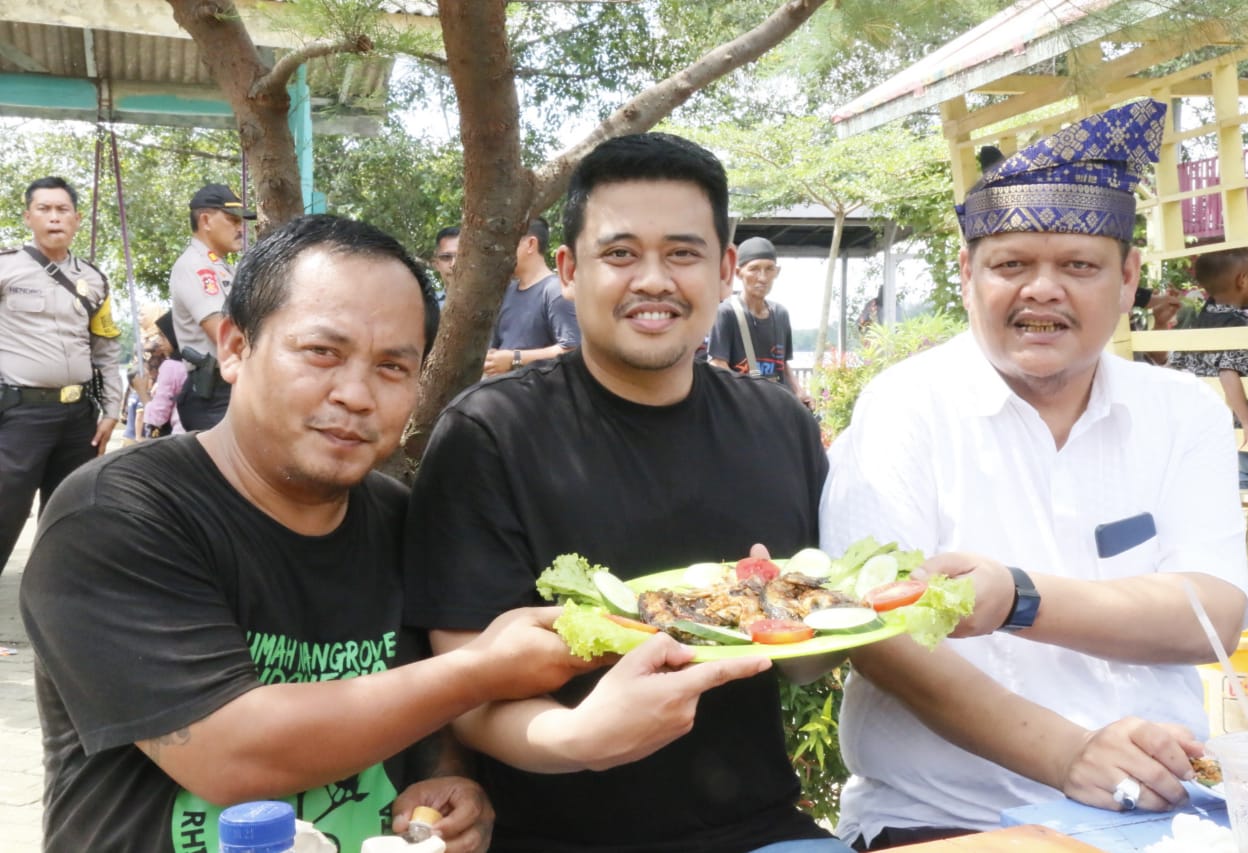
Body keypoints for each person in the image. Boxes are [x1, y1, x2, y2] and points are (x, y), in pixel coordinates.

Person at [20, 214, 749, 852]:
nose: (356, 394)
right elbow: (230, 754)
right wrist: (483, 668)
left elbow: (422, 710)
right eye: (322, 352)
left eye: (394, 366)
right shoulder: (117, 514)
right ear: (236, 348)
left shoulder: (401, 517)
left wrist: (449, 780)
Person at [820, 99, 1248, 848]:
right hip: (946, 819)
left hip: (1163, 812)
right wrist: (1067, 754)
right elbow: (877, 633)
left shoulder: (1184, 412)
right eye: (1011, 265)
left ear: (1128, 278)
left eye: (1078, 266)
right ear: (968, 274)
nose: (1043, 290)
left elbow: (1212, 614)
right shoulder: (906, 407)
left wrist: (1019, 596)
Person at [405, 132, 846, 853]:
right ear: (569, 271)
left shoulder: (781, 425)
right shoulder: (490, 433)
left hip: (760, 830)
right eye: (620, 253)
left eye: (683, 253)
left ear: (725, 269)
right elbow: (464, 690)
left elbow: (806, 662)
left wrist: (798, 611)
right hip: (553, 841)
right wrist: (579, 738)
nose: (653, 280)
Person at [0, 175, 121, 574]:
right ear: (28, 217)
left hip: (78, 419)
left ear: (77, 218)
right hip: (19, 417)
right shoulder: (6, 268)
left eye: (62, 209)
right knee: (4, 513)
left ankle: (57, 602)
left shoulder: (94, 279)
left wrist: (111, 409)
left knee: (69, 517)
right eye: (44, 209)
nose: (54, 217)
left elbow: (106, 346)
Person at [1167, 248, 1248, 487]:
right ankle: (1209, 481)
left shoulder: (1198, 322)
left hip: (1200, 425)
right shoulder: (1236, 326)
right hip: (1228, 428)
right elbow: (1227, 372)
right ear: (1243, 280)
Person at [170, 182, 255, 430]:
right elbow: (222, 332)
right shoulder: (196, 266)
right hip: (213, 393)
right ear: (206, 220)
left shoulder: (220, 266)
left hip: (228, 387)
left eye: (241, 221)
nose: (240, 228)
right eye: (232, 220)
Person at [709, 236, 813, 407]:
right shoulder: (726, 313)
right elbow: (718, 364)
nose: (763, 278)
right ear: (738, 273)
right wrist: (749, 398)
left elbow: (783, 364)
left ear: (777, 272)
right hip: (742, 408)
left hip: (777, 407)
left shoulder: (780, 314)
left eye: (769, 269)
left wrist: (799, 391)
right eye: (754, 269)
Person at [483, 217, 580, 375]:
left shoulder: (555, 291)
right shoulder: (507, 292)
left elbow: (572, 349)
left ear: (531, 244)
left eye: (507, 243)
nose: (500, 251)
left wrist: (514, 359)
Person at [141, 309, 186, 437]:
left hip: (180, 437)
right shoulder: (203, 360)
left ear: (175, 335)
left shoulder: (171, 366)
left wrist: (141, 392)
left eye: (163, 336)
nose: (159, 341)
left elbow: (157, 417)